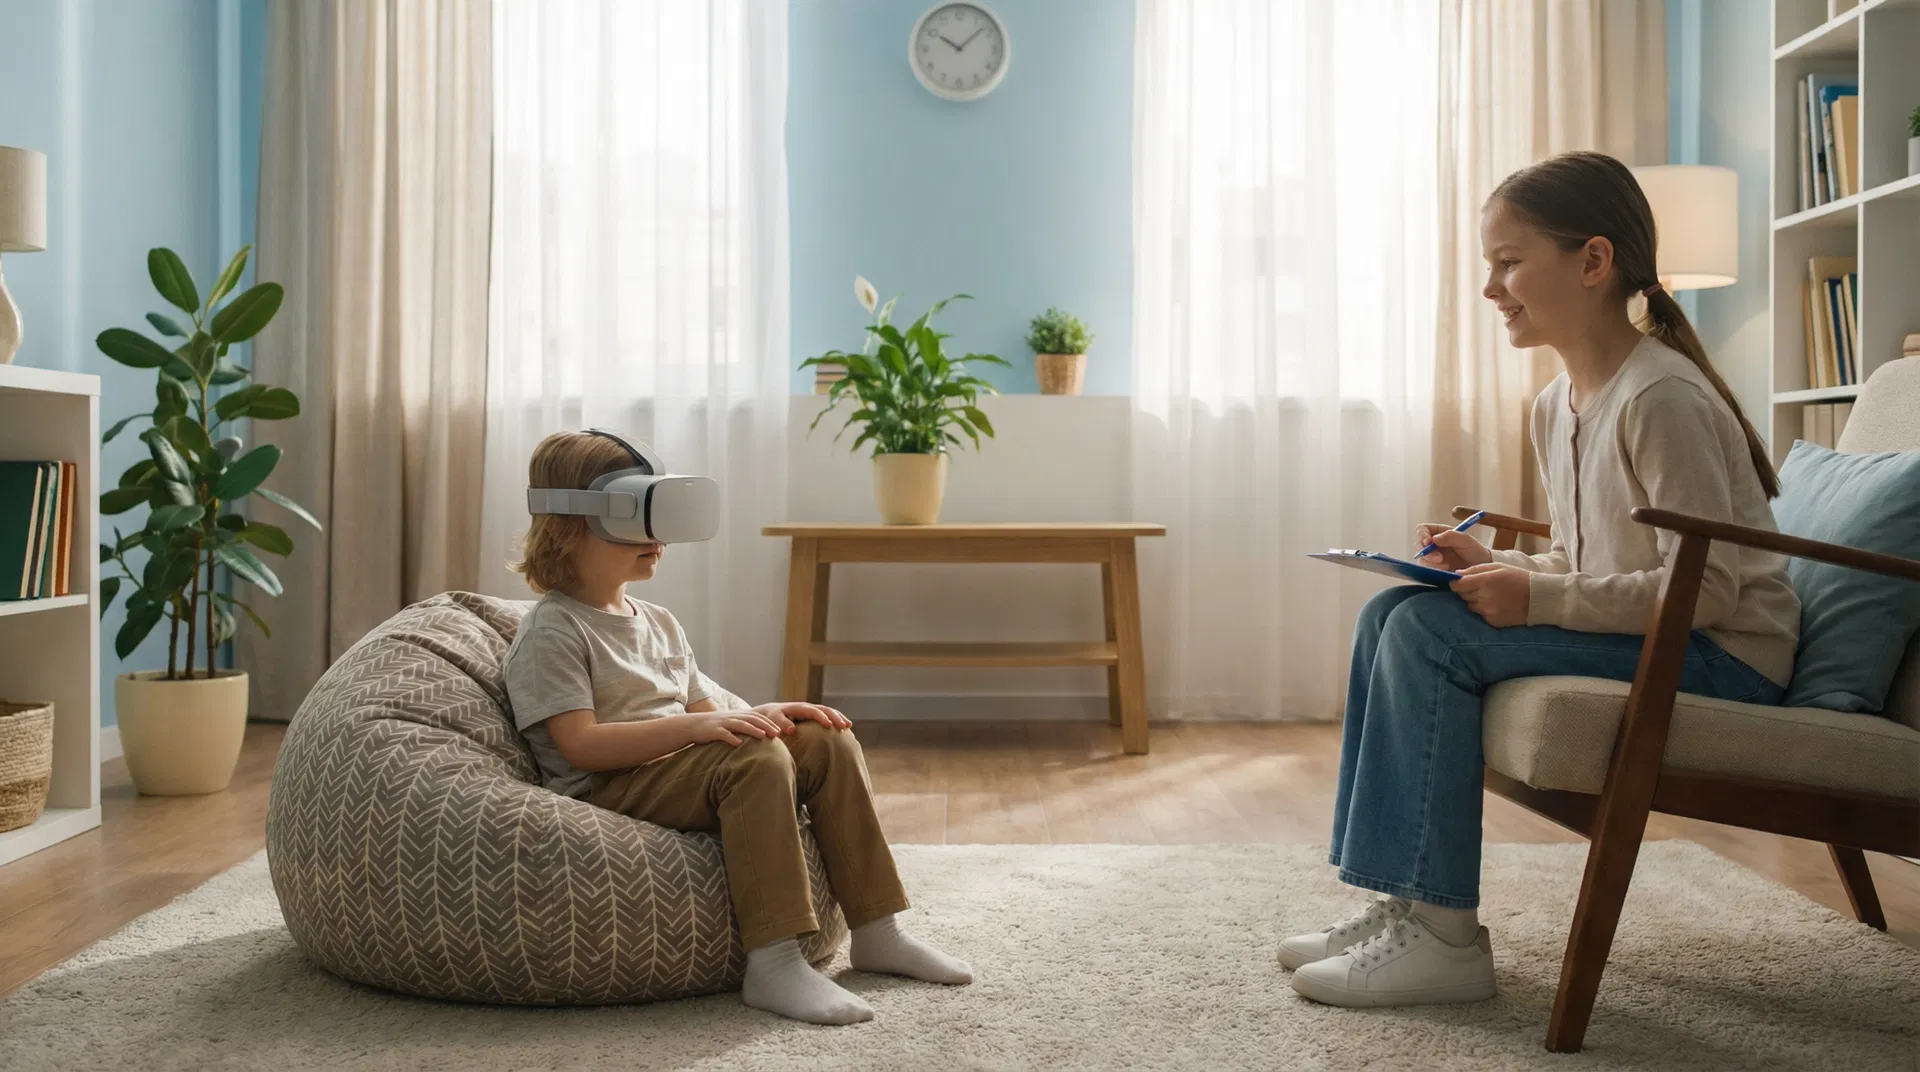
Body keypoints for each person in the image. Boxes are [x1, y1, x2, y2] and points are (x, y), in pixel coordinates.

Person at [1280, 151, 1800, 1008]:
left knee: (1423, 634)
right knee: (1391, 613)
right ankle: (1403, 900)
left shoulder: (1660, 399)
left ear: (1594, 262)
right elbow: (1588, 561)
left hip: (1724, 655)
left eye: (1510, 261)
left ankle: (1445, 941)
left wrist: (1538, 595)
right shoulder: (1555, 404)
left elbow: (1710, 592)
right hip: (1662, 632)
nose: (1492, 287)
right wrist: (1500, 565)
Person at [503, 430, 971, 1026]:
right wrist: (703, 733)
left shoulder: (658, 620)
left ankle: (878, 929)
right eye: (636, 518)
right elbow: (581, 745)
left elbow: (706, 709)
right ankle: (774, 962)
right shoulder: (554, 631)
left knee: (826, 739)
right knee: (755, 760)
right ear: (568, 527)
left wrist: (774, 714)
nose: (658, 539)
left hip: (682, 771)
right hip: (609, 788)